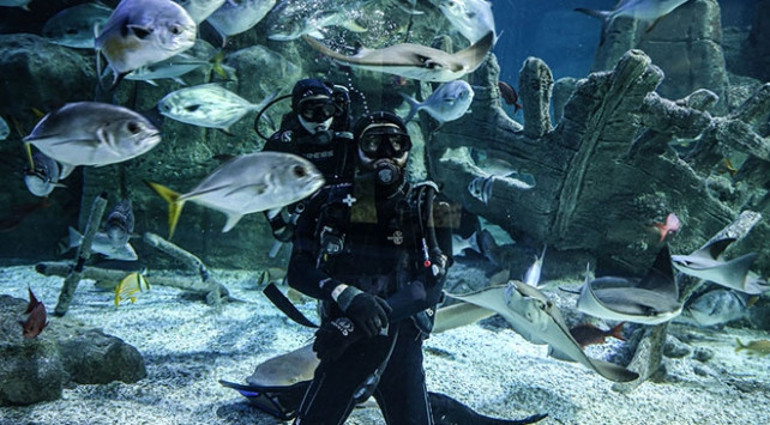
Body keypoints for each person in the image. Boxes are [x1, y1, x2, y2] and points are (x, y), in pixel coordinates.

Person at [286, 111, 453, 424]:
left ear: (409, 149)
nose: (386, 154)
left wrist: (354, 324)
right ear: (356, 149)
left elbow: (433, 287)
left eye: (397, 143)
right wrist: (347, 295)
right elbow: (297, 270)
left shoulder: (433, 204)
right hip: (343, 346)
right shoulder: (325, 202)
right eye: (374, 143)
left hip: (392, 343)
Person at [261, 78, 356, 243]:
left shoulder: (349, 134)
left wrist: (365, 221)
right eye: (310, 111)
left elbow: (366, 174)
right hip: (304, 217)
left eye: (326, 110)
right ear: (297, 112)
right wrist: (279, 225)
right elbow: (262, 183)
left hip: (350, 212)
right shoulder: (283, 143)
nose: (320, 119)